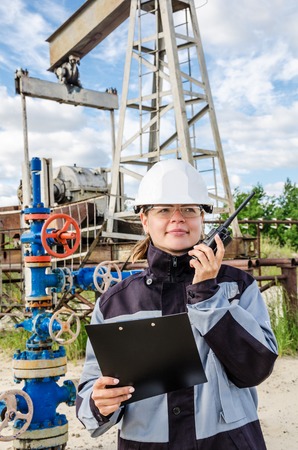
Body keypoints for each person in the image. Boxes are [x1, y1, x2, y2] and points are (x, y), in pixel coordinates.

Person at [76, 159, 278, 450]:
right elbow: (90, 394)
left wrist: (208, 296)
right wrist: (99, 404)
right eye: (164, 210)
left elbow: (256, 368)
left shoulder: (238, 288)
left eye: (189, 209)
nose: (178, 218)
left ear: (202, 218)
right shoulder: (115, 303)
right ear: (145, 220)